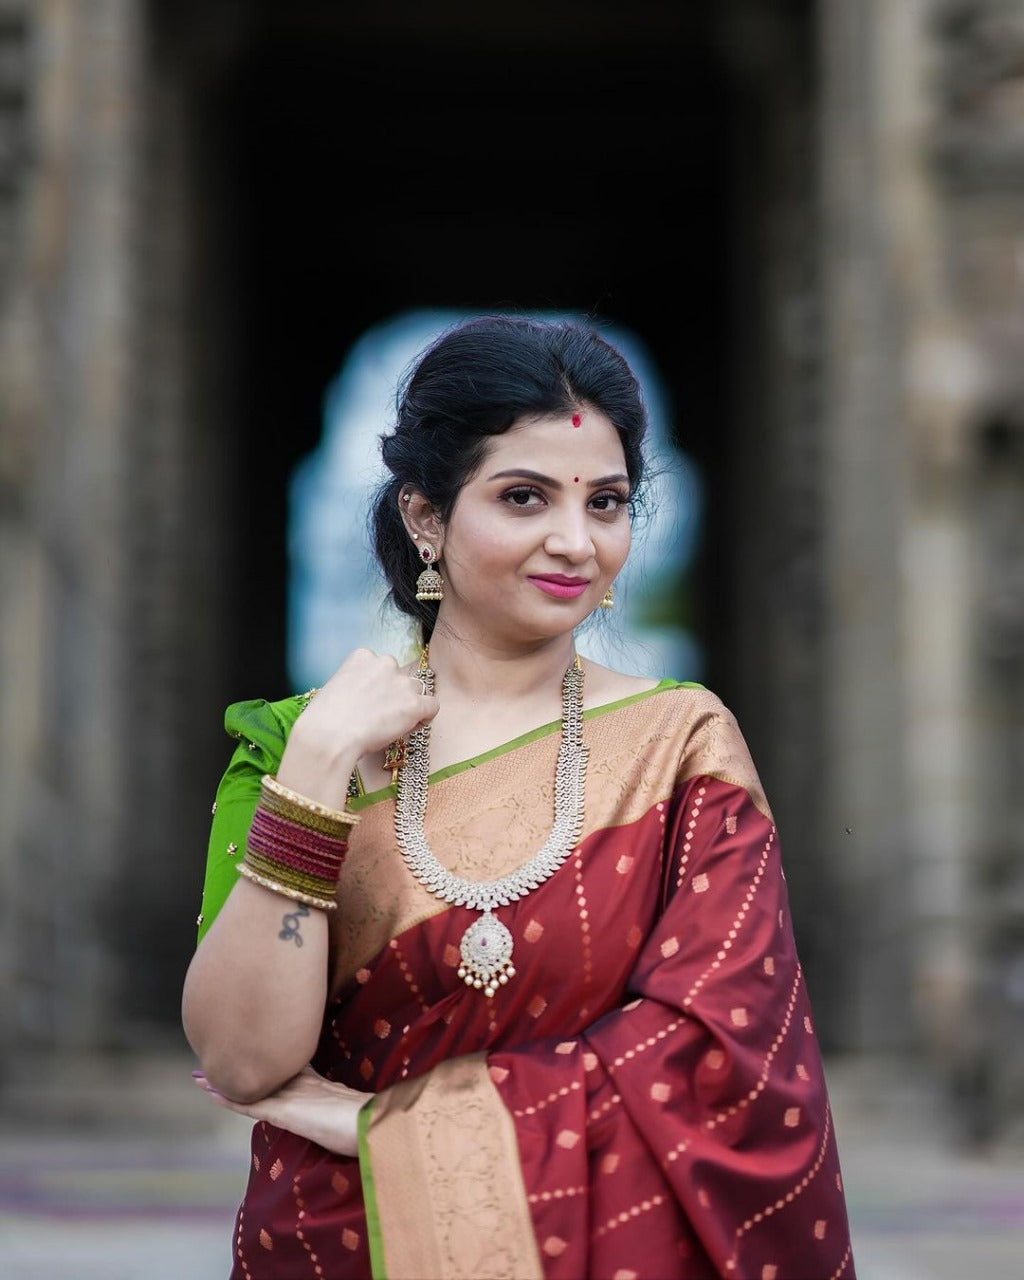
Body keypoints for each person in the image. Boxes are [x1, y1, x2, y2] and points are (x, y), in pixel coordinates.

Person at [182, 314, 856, 1280]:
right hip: (344, 1239)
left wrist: (391, 1125)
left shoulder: (680, 745)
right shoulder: (297, 745)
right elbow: (247, 1063)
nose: (575, 542)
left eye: (608, 503)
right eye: (524, 497)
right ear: (424, 515)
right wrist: (321, 766)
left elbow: (725, 1063)